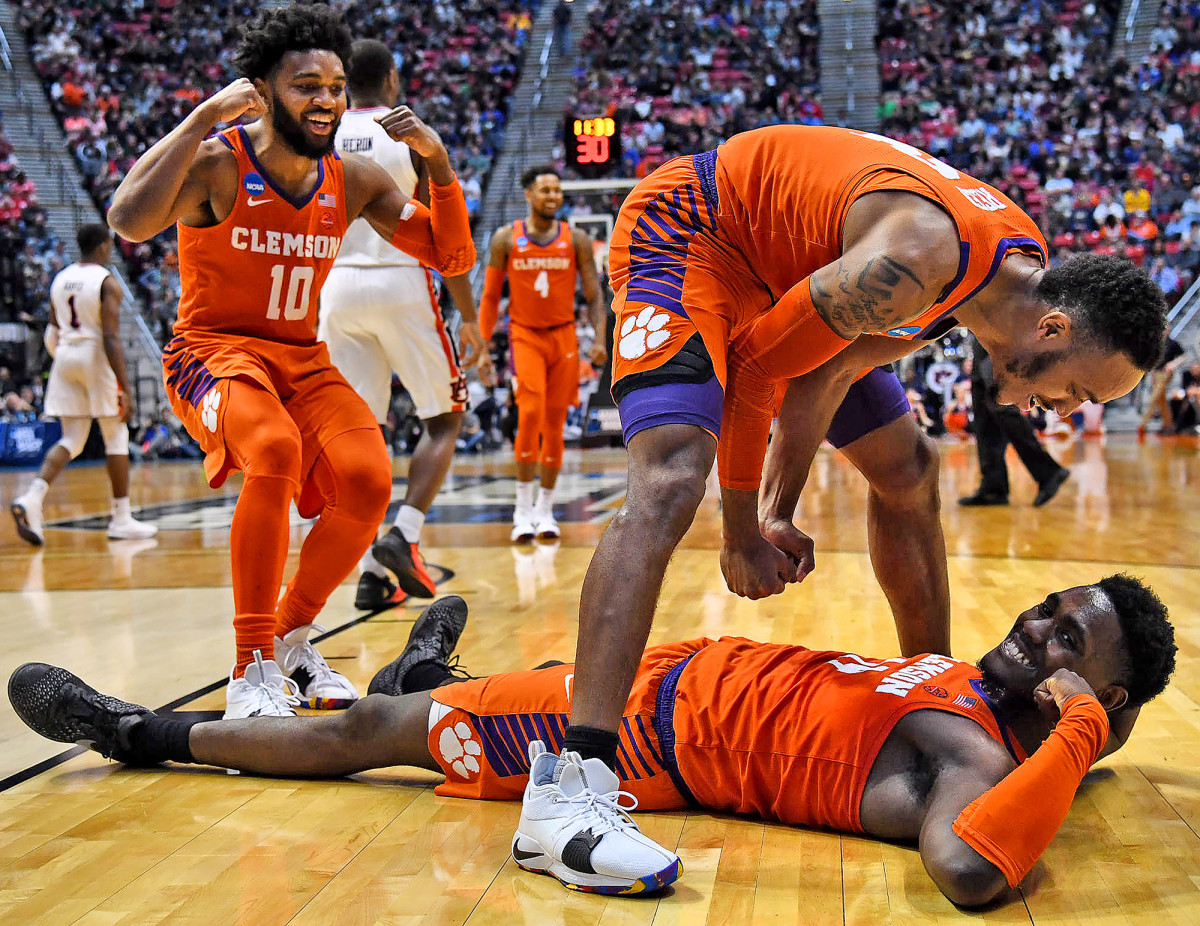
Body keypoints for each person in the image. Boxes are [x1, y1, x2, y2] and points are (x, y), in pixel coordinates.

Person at [533, 125, 1168, 890]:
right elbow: (760, 363)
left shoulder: (998, 271)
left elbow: (832, 365)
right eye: (1080, 390)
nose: (1064, 411)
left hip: (794, 278)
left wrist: (777, 510)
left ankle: (936, 684)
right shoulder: (913, 264)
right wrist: (740, 532)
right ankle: (571, 791)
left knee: (907, 468)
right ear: (1053, 328)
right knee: (672, 478)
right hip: (695, 232)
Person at [10, 575, 1176, 904]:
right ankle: (438, 676)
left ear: (1098, 700)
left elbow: (973, 868)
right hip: (657, 676)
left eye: (1068, 636)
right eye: (1050, 604)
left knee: (372, 731)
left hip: (641, 738)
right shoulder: (974, 692)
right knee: (432, 711)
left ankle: (142, 731)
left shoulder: (983, 761)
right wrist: (1087, 719)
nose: (1037, 624)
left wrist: (1075, 731)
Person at [104, 4, 474, 720]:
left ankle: (291, 639)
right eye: (307, 85)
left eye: (336, 85)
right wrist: (199, 118)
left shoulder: (354, 177)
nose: (327, 100)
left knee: (368, 482)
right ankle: (249, 670)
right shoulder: (217, 160)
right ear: (263, 89)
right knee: (272, 448)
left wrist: (440, 165)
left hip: (301, 357)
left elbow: (449, 255)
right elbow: (128, 220)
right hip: (211, 353)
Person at [318, 39, 489, 611]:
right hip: (400, 277)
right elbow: (448, 234)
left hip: (334, 288)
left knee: (362, 436)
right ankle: (406, 531)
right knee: (445, 419)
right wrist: (468, 316)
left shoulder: (321, 131)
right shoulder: (409, 133)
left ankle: (370, 574)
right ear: (391, 78)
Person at [480, 166, 608, 541]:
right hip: (525, 337)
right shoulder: (506, 239)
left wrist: (600, 338)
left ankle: (545, 510)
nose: (553, 196)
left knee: (555, 426)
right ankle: (522, 510)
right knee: (530, 414)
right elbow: (489, 298)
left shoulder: (577, 239)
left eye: (557, 190)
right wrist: (485, 346)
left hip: (564, 337)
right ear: (528, 195)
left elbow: (594, 295)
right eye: (545, 190)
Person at [10, 223, 157, 546]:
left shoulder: (60, 278)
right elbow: (110, 336)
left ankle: (32, 498)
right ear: (104, 246)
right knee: (116, 436)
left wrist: (64, 358)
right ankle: (120, 518)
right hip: (94, 355)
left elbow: (52, 332)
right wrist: (125, 387)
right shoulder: (107, 282)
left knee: (72, 440)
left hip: (64, 356)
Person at [958, 334, 1071, 507]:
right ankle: (993, 487)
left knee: (1000, 402)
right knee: (984, 411)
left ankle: (1048, 471)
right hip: (978, 335)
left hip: (993, 329)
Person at [1137, 336, 1187, 437]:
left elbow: (1183, 356)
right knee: (1161, 400)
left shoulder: (1172, 343)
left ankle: (1143, 424)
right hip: (1156, 372)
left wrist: (1173, 364)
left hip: (1165, 373)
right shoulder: (1156, 343)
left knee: (1155, 397)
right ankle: (1169, 425)